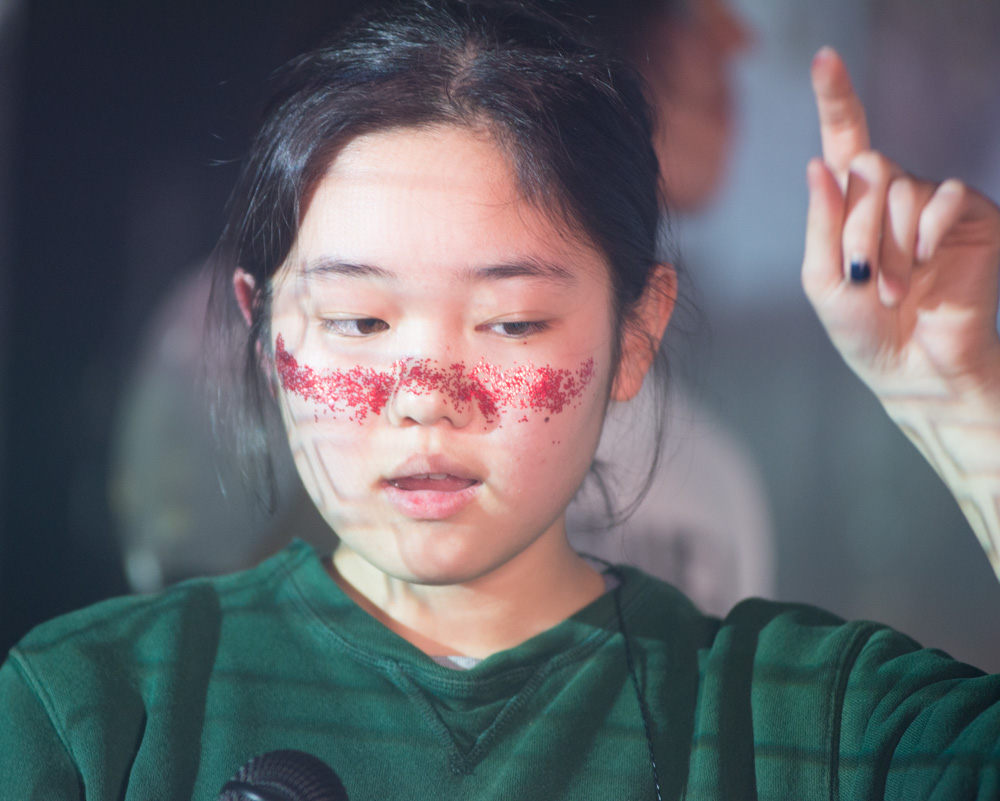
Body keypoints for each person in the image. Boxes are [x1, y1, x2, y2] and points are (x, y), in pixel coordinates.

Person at [2, 2, 1000, 798]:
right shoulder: (89, 712)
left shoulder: (803, 719)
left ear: (634, 336)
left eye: (511, 324)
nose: (426, 399)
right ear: (263, 334)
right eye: (358, 322)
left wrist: (959, 402)